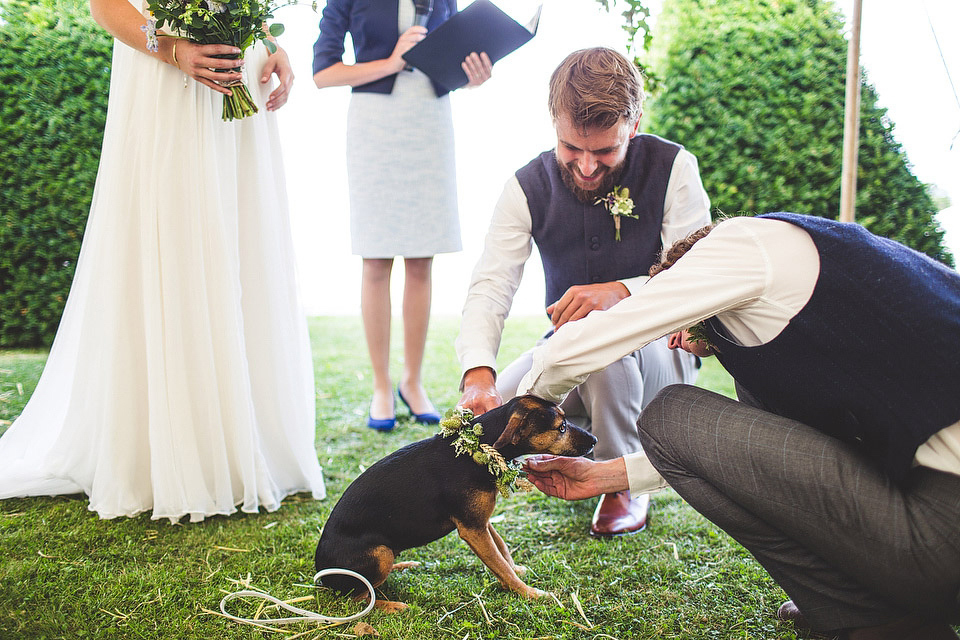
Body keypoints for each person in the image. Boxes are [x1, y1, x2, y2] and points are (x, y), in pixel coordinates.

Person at [520, 213, 960, 639]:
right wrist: (604, 476)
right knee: (749, 405)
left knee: (669, 414)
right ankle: (873, 615)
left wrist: (521, 414)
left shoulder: (740, 243)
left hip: (945, 532)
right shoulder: (818, 301)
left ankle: (881, 619)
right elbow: (754, 457)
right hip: (932, 531)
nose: (670, 337)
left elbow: (568, 353)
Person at [0, 0, 326, 522]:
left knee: (240, 240)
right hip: (164, 83)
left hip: (237, 83)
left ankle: (248, 442)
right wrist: (173, 49)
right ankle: (165, 453)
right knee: (174, 234)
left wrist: (272, 43)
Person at [456, 47, 710, 536]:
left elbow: (698, 279)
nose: (588, 167)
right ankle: (569, 429)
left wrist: (621, 291)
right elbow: (491, 284)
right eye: (572, 148)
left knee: (600, 339)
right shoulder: (525, 186)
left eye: (605, 151)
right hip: (567, 357)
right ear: (554, 123)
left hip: (661, 362)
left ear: (634, 123)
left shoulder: (674, 167)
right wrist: (478, 375)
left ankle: (621, 483)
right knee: (480, 428)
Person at [312, 0, 492, 431]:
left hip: (429, 123)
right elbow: (323, 73)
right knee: (375, 260)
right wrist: (391, 62)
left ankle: (413, 381)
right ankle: (381, 384)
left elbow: (449, 65)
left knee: (420, 260)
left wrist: (472, 77)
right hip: (375, 127)